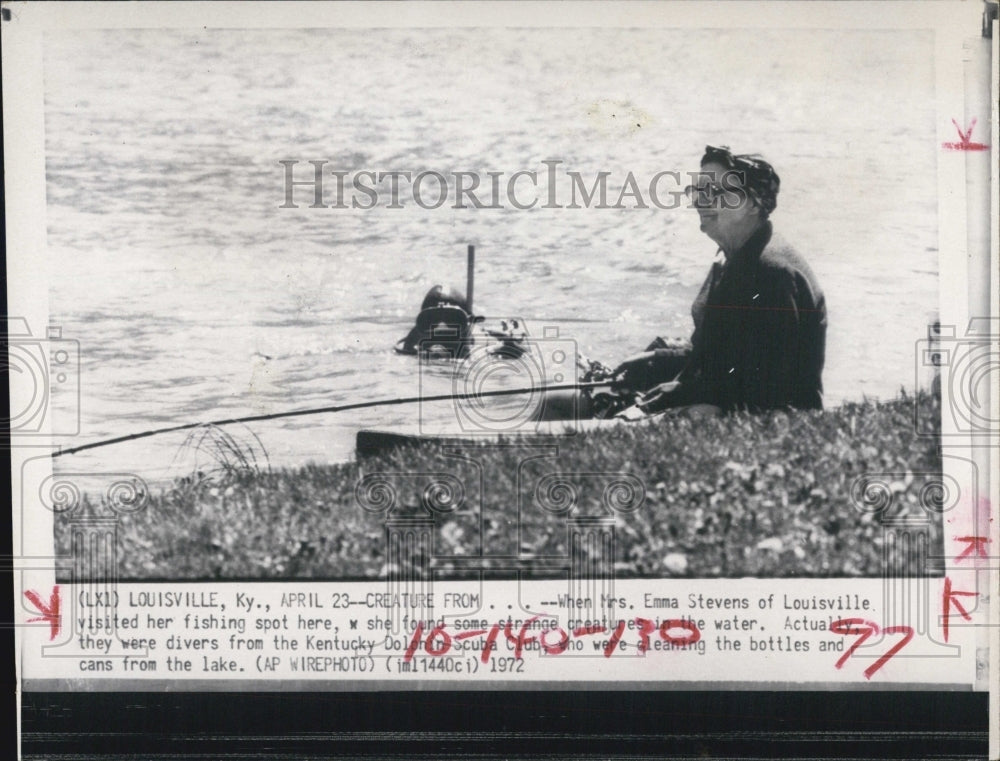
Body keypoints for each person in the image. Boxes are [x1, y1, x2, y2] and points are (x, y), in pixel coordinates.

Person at [536, 145, 826, 421]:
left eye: (715, 191)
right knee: (555, 402)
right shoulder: (731, 257)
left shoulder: (772, 273)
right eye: (698, 190)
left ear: (753, 202)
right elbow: (717, 354)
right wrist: (654, 361)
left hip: (771, 415)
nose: (701, 200)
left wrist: (680, 392)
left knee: (682, 415)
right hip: (720, 397)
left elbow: (767, 383)